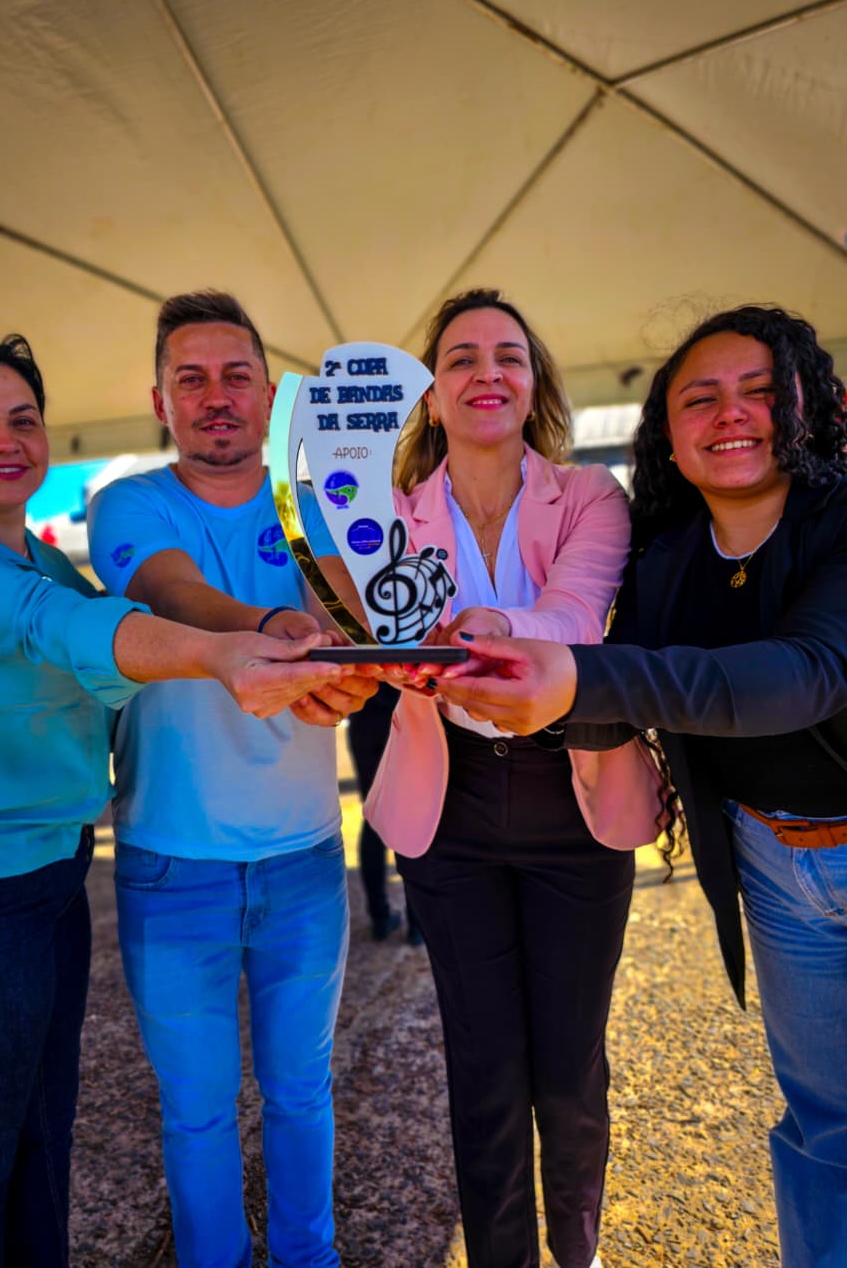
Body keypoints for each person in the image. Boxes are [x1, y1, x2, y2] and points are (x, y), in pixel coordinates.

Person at [0, 334, 347, 1268]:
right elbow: (65, 625)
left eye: (22, 420)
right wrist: (224, 649)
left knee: (40, 1146)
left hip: (55, 882)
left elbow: (84, 643)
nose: (4, 441)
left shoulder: (47, 565)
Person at [433, 305, 847, 1268]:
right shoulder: (668, 557)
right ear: (667, 431)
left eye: (758, 391)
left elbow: (804, 674)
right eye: (700, 399)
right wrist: (491, 680)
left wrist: (568, 673)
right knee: (824, 1126)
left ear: (807, 405)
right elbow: (614, 689)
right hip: (771, 862)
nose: (729, 414)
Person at [361, 288, 662, 1268]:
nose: (485, 372)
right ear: (432, 396)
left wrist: (494, 629)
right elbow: (378, 635)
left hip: (572, 797)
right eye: (461, 358)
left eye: (508, 356)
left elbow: (575, 614)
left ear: (534, 385)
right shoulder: (383, 518)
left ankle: (578, 1251)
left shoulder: (592, 497)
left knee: (570, 1071)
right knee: (483, 1070)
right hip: (449, 807)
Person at [87, 290, 376, 1268]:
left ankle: (309, 1257)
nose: (216, 396)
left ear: (268, 393)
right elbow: (170, 590)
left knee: (301, 1092)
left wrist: (346, 661)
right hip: (172, 865)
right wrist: (266, 628)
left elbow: (346, 614)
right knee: (198, 1110)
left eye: (236, 375)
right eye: (192, 378)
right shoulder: (128, 501)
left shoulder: (315, 500)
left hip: (304, 859)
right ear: (160, 400)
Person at [345, 684, 423, 943]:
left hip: (365, 718)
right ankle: (416, 924)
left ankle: (379, 917)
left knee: (373, 819)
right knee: (412, 822)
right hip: (407, 717)